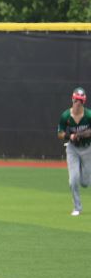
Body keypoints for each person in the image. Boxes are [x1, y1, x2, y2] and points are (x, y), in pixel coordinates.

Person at [57, 87, 91, 216]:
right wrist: (69, 136)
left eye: (81, 101)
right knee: (73, 180)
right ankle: (77, 207)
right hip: (72, 149)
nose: (78, 103)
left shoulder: (88, 115)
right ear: (72, 99)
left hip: (87, 149)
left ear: (84, 102)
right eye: (76, 100)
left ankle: (82, 168)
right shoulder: (66, 115)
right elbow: (59, 133)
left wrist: (81, 134)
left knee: (85, 183)